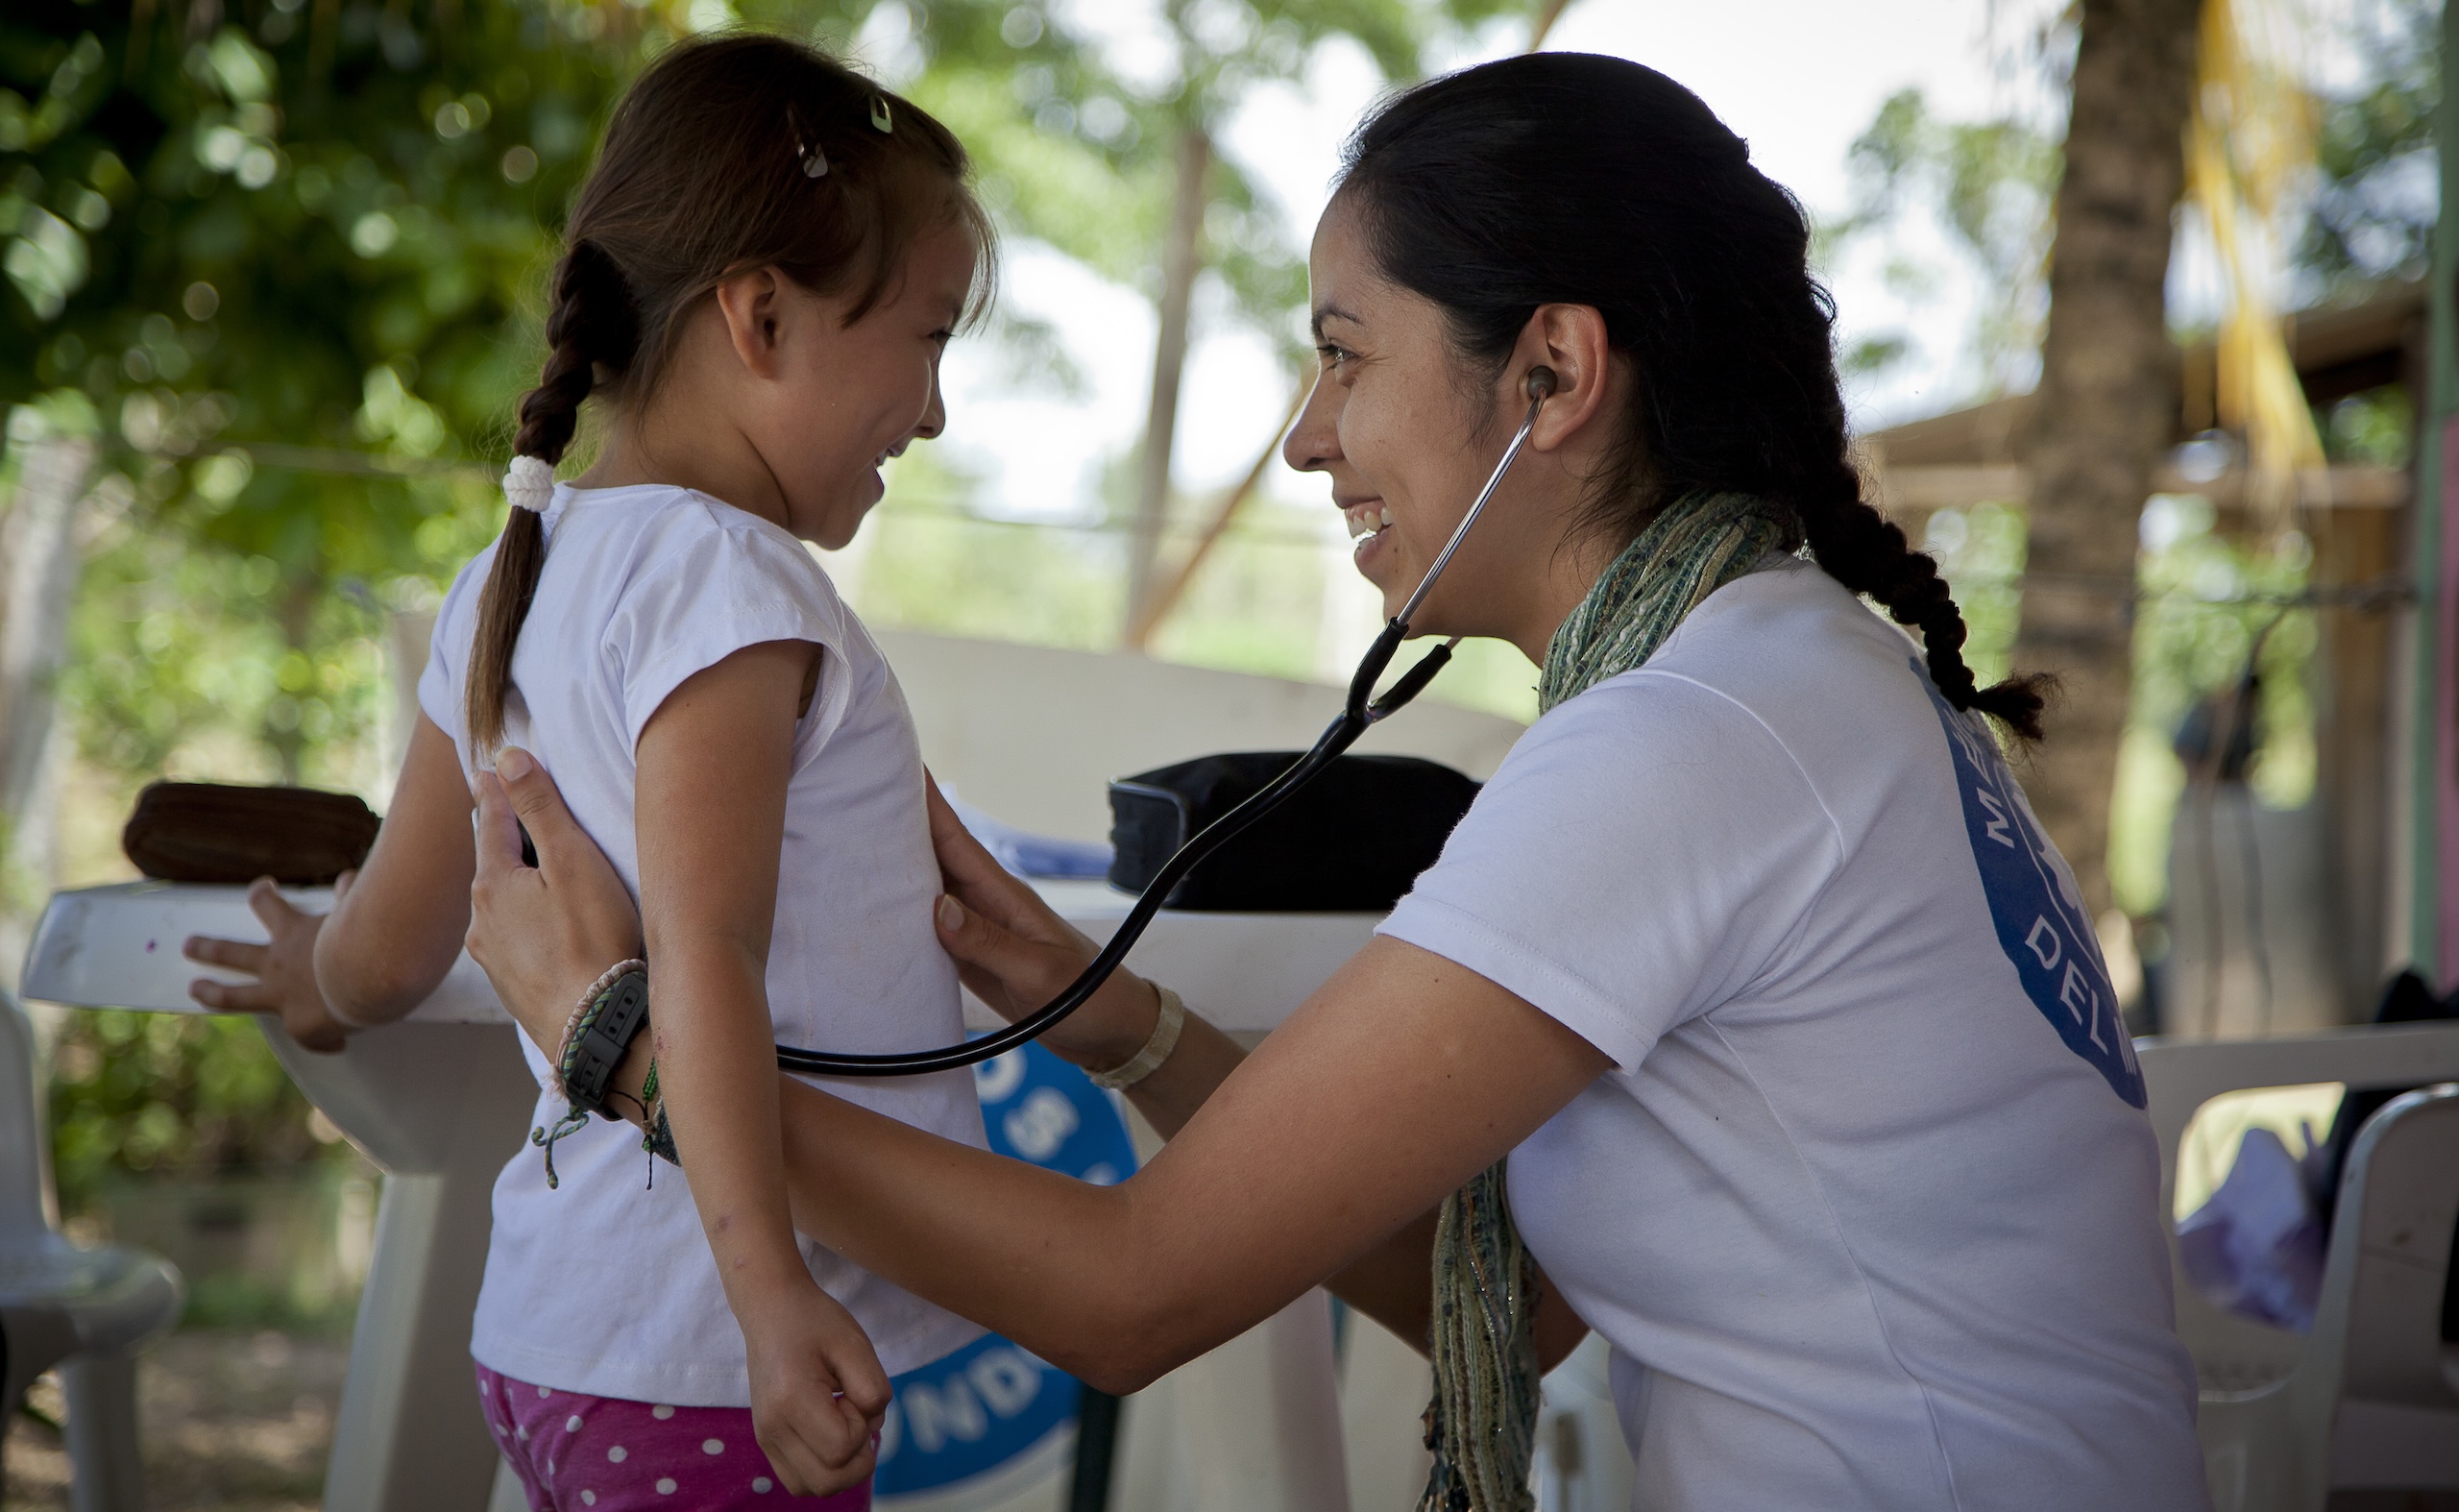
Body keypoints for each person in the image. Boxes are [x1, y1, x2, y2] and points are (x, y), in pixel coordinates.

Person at [464, 51, 2216, 1511]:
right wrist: (1120, 1023)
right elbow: (1517, 1310)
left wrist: (627, 1056)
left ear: (1552, 374)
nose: (1307, 434)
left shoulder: (1694, 745)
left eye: (1345, 352)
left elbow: (1128, 1294)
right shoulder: (1784, 677)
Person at [182, 36, 996, 1507]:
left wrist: (313, 972)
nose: (934, 412)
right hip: (702, 1353)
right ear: (759, 314)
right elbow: (707, 960)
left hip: (558, 1334)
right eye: (929, 338)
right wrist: (767, 1306)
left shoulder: (520, 567)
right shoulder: (725, 582)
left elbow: (395, 937)